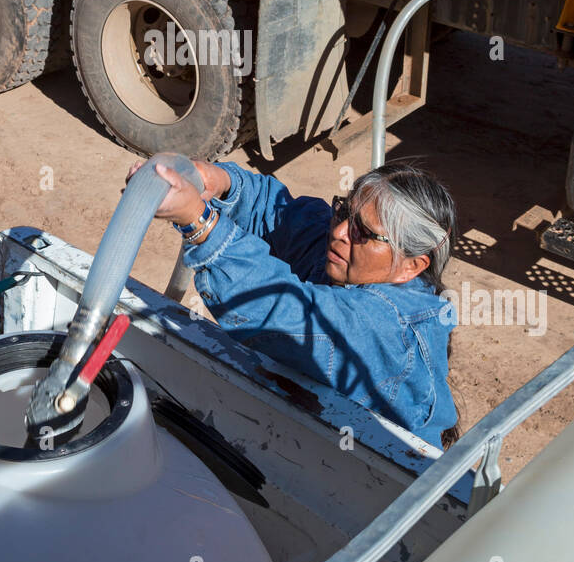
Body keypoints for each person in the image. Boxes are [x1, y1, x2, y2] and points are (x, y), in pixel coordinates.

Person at [127, 157, 460, 450]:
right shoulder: (349, 258)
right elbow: (284, 216)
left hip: (374, 479)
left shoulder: (385, 323)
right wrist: (222, 182)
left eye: (364, 233)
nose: (340, 231)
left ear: (411, 266)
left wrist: (200, 223)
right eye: (344, 211)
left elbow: (283, 313)